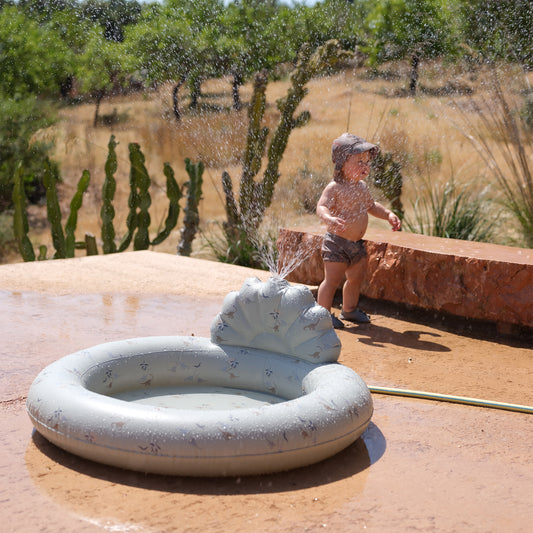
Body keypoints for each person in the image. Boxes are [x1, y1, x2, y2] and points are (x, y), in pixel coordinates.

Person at [316, 133, 401, 329]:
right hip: (336, 243)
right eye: (359, 161)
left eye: (367, 161)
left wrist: (387, 214)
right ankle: (322, 315)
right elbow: (321, 207)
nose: (365, 166)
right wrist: (329, 218)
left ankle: (349, 309)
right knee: (332, 280)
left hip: (356, 244)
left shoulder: (362, 187)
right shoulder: (334, 188)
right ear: (341, 163)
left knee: (355, 279)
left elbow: (371, 206)